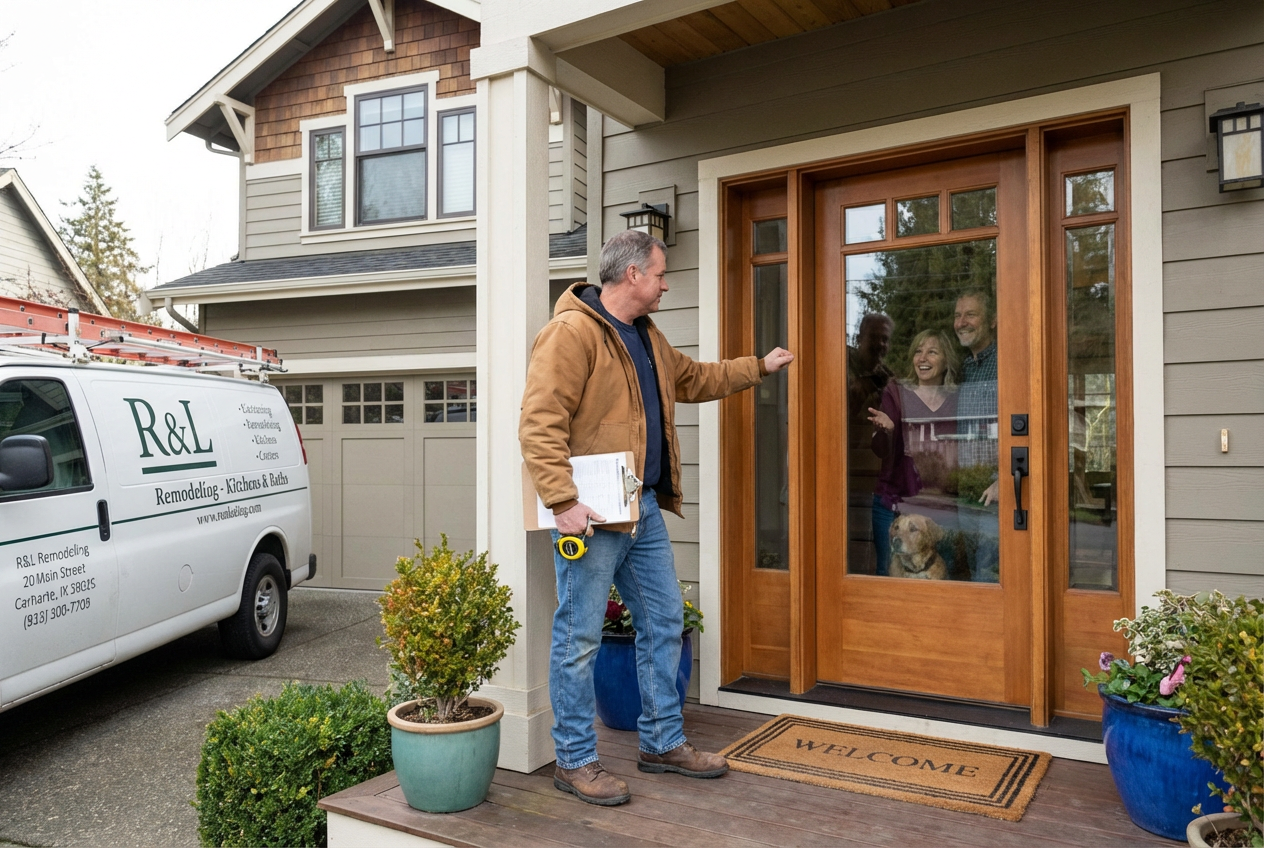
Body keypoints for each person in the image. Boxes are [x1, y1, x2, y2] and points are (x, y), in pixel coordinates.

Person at [520, 229, 794, 807]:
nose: (668, 283)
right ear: (633, 276)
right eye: (661, 274)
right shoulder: (572, 333)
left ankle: (662, 742)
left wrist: (759, 367)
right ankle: (573, 760)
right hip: (591, 516)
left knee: (665, 621)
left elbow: (694, 380)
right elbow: (539, 421)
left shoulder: (647, 337)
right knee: (579, 640)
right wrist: (563, 502)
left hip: (639, 506)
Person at [867, 330, 960, 576]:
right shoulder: (896, 393)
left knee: (942, 583)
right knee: (888, 581)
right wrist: (886, 431)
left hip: (941, 508)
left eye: (932, 351)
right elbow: (879, 451)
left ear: (946, 360)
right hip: (895, 504)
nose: (922, 358)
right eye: (918, 351)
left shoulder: (958, 397)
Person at [953, 289, 1000, 582]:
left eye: (970, 314)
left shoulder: (1009, 363)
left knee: (990, 576)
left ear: (993, 320)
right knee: (974, 574)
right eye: (958, 315)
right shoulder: (962, 369)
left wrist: (1004, 479)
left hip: (997, 491)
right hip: (965, 491)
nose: (962, 322)